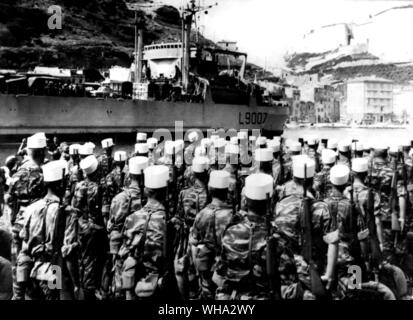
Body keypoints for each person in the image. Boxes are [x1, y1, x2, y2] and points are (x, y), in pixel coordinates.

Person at [274, 156, 333, 299]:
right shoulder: (321, 207)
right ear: (313, 180)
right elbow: (332, 242)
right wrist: (329, 275)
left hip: (286, 270)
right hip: (313, 269)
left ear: (294, 179)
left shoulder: (281, 204)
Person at [213, 173, 278, 300]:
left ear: (244, 201)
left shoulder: (230, 231)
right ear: (270, 203)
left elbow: (220, 273)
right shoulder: (275, 237)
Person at [120, 165, 171, 300]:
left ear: (146, 191)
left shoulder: (131, 218)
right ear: (165, 192)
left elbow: (124, 251)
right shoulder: (168, 222)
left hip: (134, 280)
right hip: (158, 285)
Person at [18, 161, 67, 300]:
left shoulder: (31, 208)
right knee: (54, 297)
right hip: (53, 268)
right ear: (59, 184)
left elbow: (24, 240)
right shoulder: (61, 210)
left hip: (31, 267)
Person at [8, 133, 46, 300]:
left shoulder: (17, 174)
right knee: (49, 263)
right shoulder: (46, 174)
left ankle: (19, 295)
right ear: (42, 152)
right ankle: (51, 293)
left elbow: (10, 200)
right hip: (40, 227)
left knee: (19, 264)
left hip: (19, 225)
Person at [104, 156, 149, 299]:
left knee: (121, 286)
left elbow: (113, 227)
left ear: (129, 175)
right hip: (145, 251)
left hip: (124, 250)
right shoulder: (150, 198)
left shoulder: (121, 198)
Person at [189, 170, 234, 300]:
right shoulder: (232, 216)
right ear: (227, 191)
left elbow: (194, 244)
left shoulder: (201, 214)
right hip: (224, 270)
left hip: (205, 265)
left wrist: (198, 272)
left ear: (209, 189)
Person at [71, 155, 107, 300]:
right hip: (96, 228)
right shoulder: (99, 187)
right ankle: (90, 290)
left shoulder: (79, 186)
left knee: (84, 259)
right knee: (95, 260)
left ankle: (83, 286)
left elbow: (76, 207)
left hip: (82, 226)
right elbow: (103, 211)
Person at [174, 156, 210, 299]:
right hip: (205, 238)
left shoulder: (184, 193)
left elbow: (178, 216)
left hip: (188, 237)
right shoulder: (210, 194)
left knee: (187, 270)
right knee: (204, 272)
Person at [102, 151, 128, 225]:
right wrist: (105, 214)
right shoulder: (110, 177)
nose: (121, 165)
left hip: (125, 209)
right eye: (119, 163)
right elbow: (105, 196)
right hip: (114, 209)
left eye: (122, 163)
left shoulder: (129, 175)